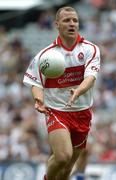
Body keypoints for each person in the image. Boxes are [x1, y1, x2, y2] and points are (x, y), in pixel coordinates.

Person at [23, 6, 101, 180]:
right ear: (57, 24)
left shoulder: (90, 49)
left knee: (66, 170)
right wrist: (38, 99)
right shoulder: (46, 55)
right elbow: (35, 81)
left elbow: (91, 78)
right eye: (67, 20)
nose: (72, 23)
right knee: (63, 156)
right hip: (56, 111)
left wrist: (78, 91)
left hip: (82, 112)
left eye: (75, 20)